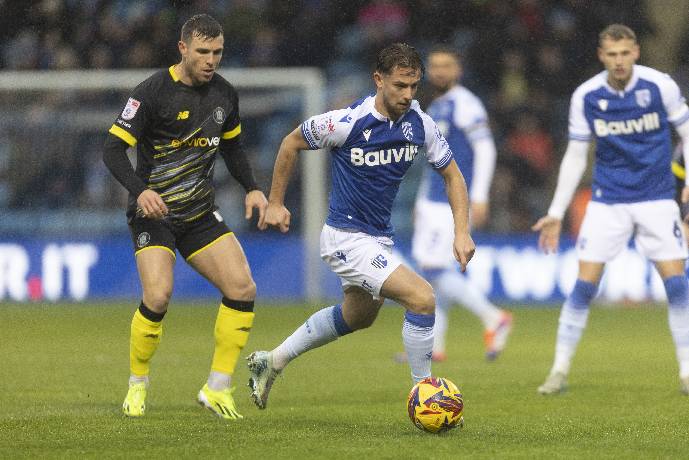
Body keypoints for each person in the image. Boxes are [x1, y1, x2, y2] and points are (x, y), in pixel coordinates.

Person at [246, 43, 476, 409]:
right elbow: (290, 143)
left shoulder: (420, 123)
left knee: (357, 317)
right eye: (400, 85)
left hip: (378, 239)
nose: (407, 94)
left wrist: (461, 231)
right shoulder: (346, 122)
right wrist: (275, 202)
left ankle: (271, 360)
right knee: (422, 298)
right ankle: (426, 396)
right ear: (378, 79)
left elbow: (453, 175)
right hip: (345, 238)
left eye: (414, 86)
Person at [103, 14, 268, 419]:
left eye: (218, 52)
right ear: (182, 49)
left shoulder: (225, 94)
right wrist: (141, 192)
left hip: (198, 213)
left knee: (242, 288)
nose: (211, 60)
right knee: (157, 296)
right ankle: (138, 383)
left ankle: (217, 387)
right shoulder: (152, 92)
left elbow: (232, 148)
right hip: (153, 213)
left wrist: (252, 187)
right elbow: (111, 150)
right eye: (203, 52)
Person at [532, 24, 689, 395]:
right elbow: (575, 154)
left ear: (636, 52)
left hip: (656, 198)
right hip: (608, 200)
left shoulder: (659, 86)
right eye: (611, 54)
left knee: (678, 285)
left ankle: (685, 371)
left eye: (625, 53)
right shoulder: (586, 95)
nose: (619, 61)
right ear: (602, 56)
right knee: (585, 286)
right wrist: (556, 210)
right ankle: (558, 371)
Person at [409, 46, 512, 362]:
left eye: (447, 65)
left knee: (433, 268)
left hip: (451, 201)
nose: (440, 71)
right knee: (430, 273)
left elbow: (486, 150)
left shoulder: (467, 105)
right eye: (435, 65)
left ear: (459, 70)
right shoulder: (437, 105)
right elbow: (433, 156)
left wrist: (479, 196)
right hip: (432, 198)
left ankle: (493, 317)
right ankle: (434, 346)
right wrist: (420, 198)